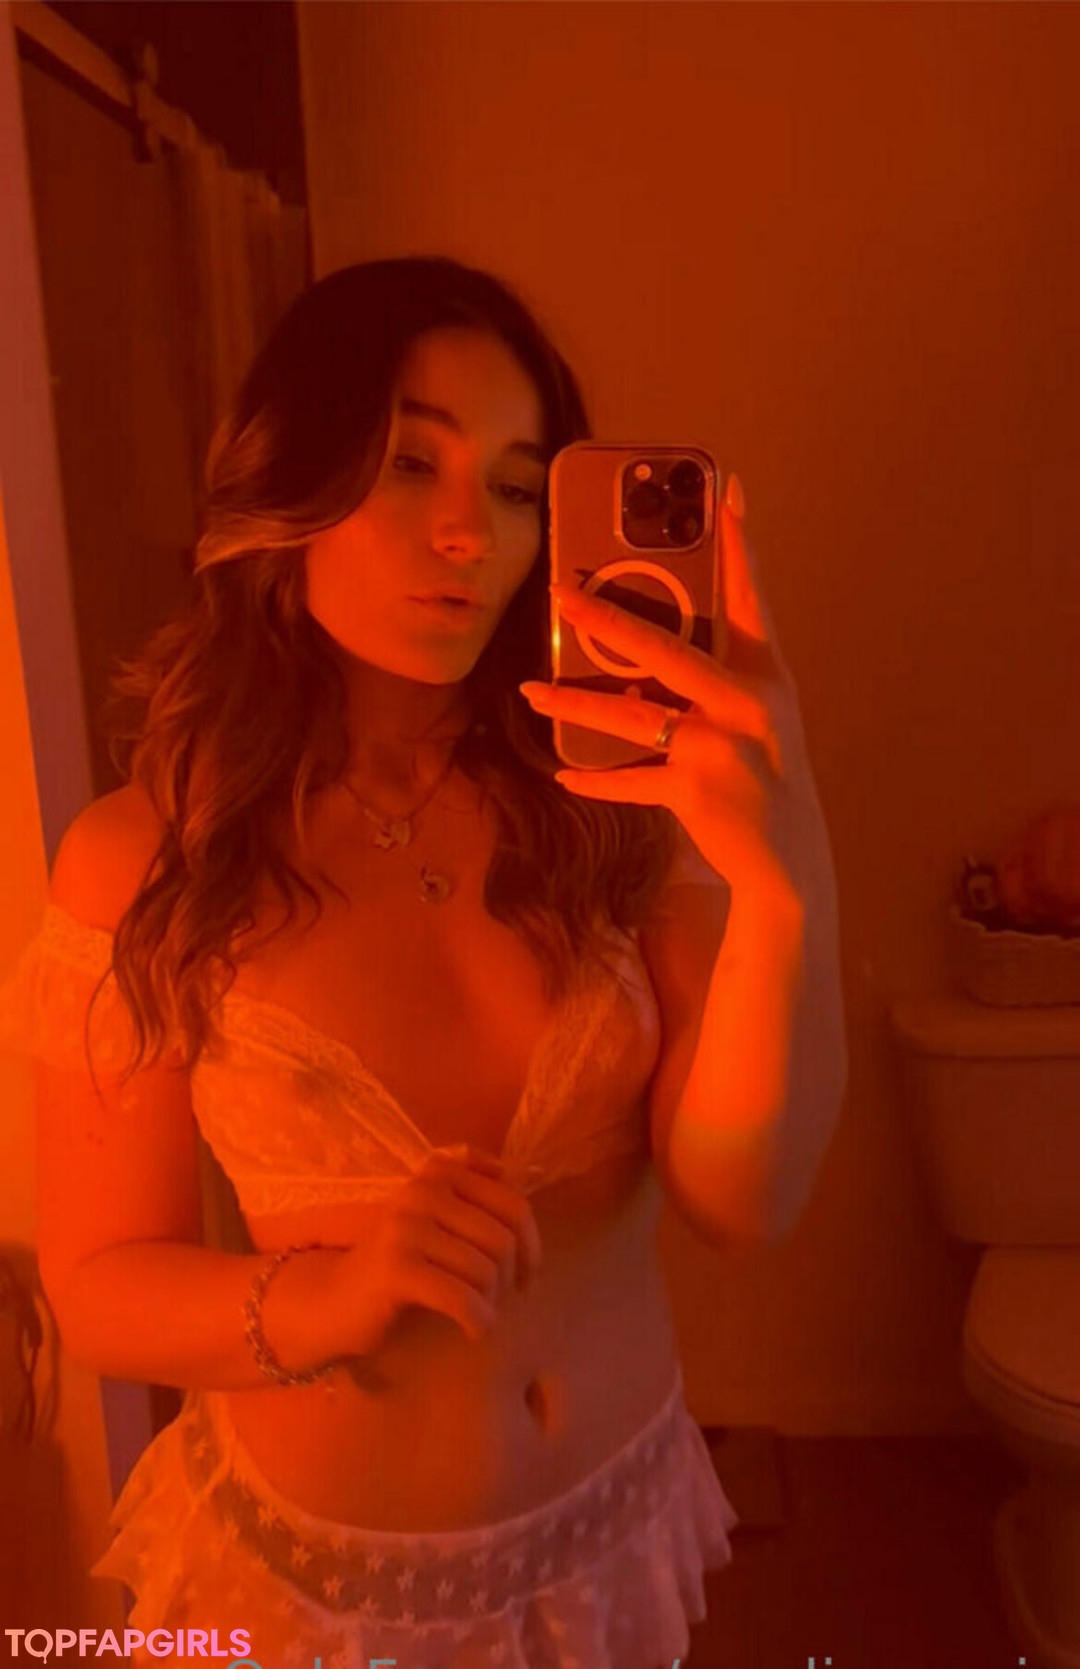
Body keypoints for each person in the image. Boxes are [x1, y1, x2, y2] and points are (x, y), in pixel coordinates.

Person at [0, 255, 821, 1668]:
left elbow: (745, 1199)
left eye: (515, 487)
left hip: (611, 1530)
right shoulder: (149, 858)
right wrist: (327, 1296)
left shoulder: (611, 800)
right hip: (326, 1596)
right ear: (290, 481)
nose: (468, 535)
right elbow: (98, 1281)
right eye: (408, 463)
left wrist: (787, 879)